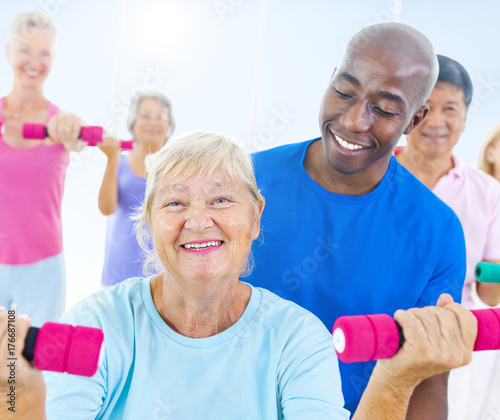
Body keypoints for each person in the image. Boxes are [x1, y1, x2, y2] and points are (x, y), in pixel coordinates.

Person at [0, 132, 478, 419]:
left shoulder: (298, 340)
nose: (199, 219)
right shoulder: (96, 323)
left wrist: (393, 381)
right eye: (175, 203)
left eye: (222, 199)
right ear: (148, 225)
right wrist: (17, 394)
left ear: (255, 218)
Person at [248, 23, 466, 417]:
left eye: (384, 109)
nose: (353, 121)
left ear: (415, 120)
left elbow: (429, 380)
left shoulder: (437, 232)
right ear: (331, 81)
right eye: (345, 93)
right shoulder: (245, 181)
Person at [0, 12, 89, 326]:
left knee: (31, 368)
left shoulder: (63, 124)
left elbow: (81, 139)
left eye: (44, 53)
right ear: (9, 52)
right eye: (25, 50)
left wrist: (74, 128)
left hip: (44, 268)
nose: (34, 61)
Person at [396, 54, 500, 309]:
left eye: (450, 109)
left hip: (450, 334)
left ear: (465, 117)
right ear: (406, 112)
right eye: (425, 106)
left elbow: (490, 296)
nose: (435, 121)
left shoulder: (488, 192)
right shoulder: (371, 174)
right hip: (373, 331)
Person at [98, 91, 175, 287]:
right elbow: (106, 208)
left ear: (169, 125)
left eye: (161, 117)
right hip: (120, 265)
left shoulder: (176, 167)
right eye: (146, 115)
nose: (153, 122)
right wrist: (112, 158)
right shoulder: (120, 163)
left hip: (162, 268)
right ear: (133, 121)